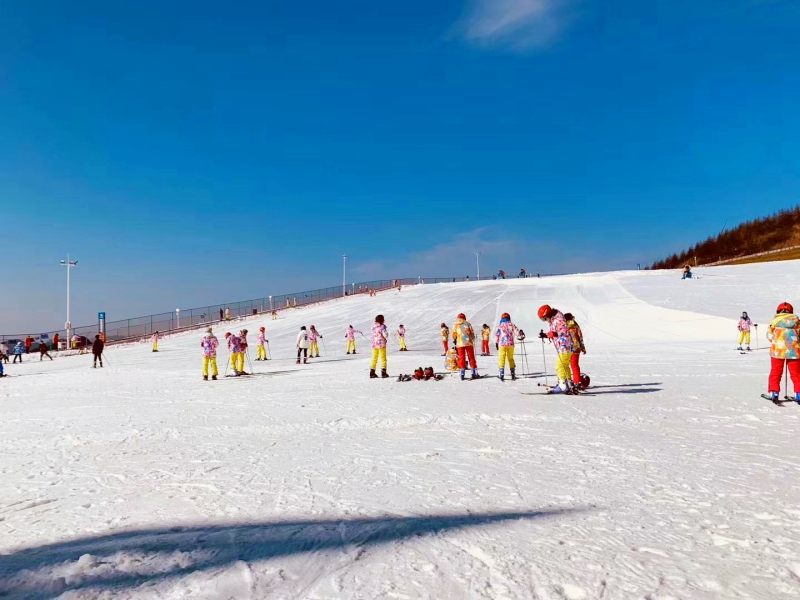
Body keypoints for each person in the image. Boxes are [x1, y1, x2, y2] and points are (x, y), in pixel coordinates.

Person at [766, 302, 800, 403]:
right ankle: (798, 393)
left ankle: (774, 392)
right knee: (796, 374)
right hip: (794, 351)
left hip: (777, 351)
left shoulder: (774, 322)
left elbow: (769, 336)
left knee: (776, 372)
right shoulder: (797, 322)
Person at [538, 305, 575, 393]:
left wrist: (553, 334)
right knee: (564, 365)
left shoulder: (558, 320)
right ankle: (568, 384)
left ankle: (563, 386)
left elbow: (563, 331)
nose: (545, 321)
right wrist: (546, 335)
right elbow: (556, 332)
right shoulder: (554, 319)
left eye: (544, 319)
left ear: (547, 315)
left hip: (565, 346)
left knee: (560, 365)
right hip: (566, 346)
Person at [452, 313, 479, 380]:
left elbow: (454, 335)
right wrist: (473, 338)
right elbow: (472, 333)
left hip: (460, 344)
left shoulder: (456, 325)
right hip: (468, 343)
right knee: (471, 357)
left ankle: (462, 373)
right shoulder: (468, 324)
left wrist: (455, 338)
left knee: (462, 358)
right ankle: (473, 372)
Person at [564, 313, 587, 389]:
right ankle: (577, 382)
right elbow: (580, 336)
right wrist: (583, 347)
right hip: (577, 347)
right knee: (575, 365)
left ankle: (568, 381)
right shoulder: (575, 325)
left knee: (565, 364)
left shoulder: (563, 325)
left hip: (567, 347)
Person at [495, 312, 517, 381]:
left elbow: (497, 334)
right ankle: (513, 373)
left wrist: (496, 342)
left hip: (502, 344)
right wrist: (520, 335)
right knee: (510, 358)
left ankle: (501, 373)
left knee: (502, 357)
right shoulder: (511, 325)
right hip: (510, 344)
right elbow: (517, 331)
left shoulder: (500, 326)